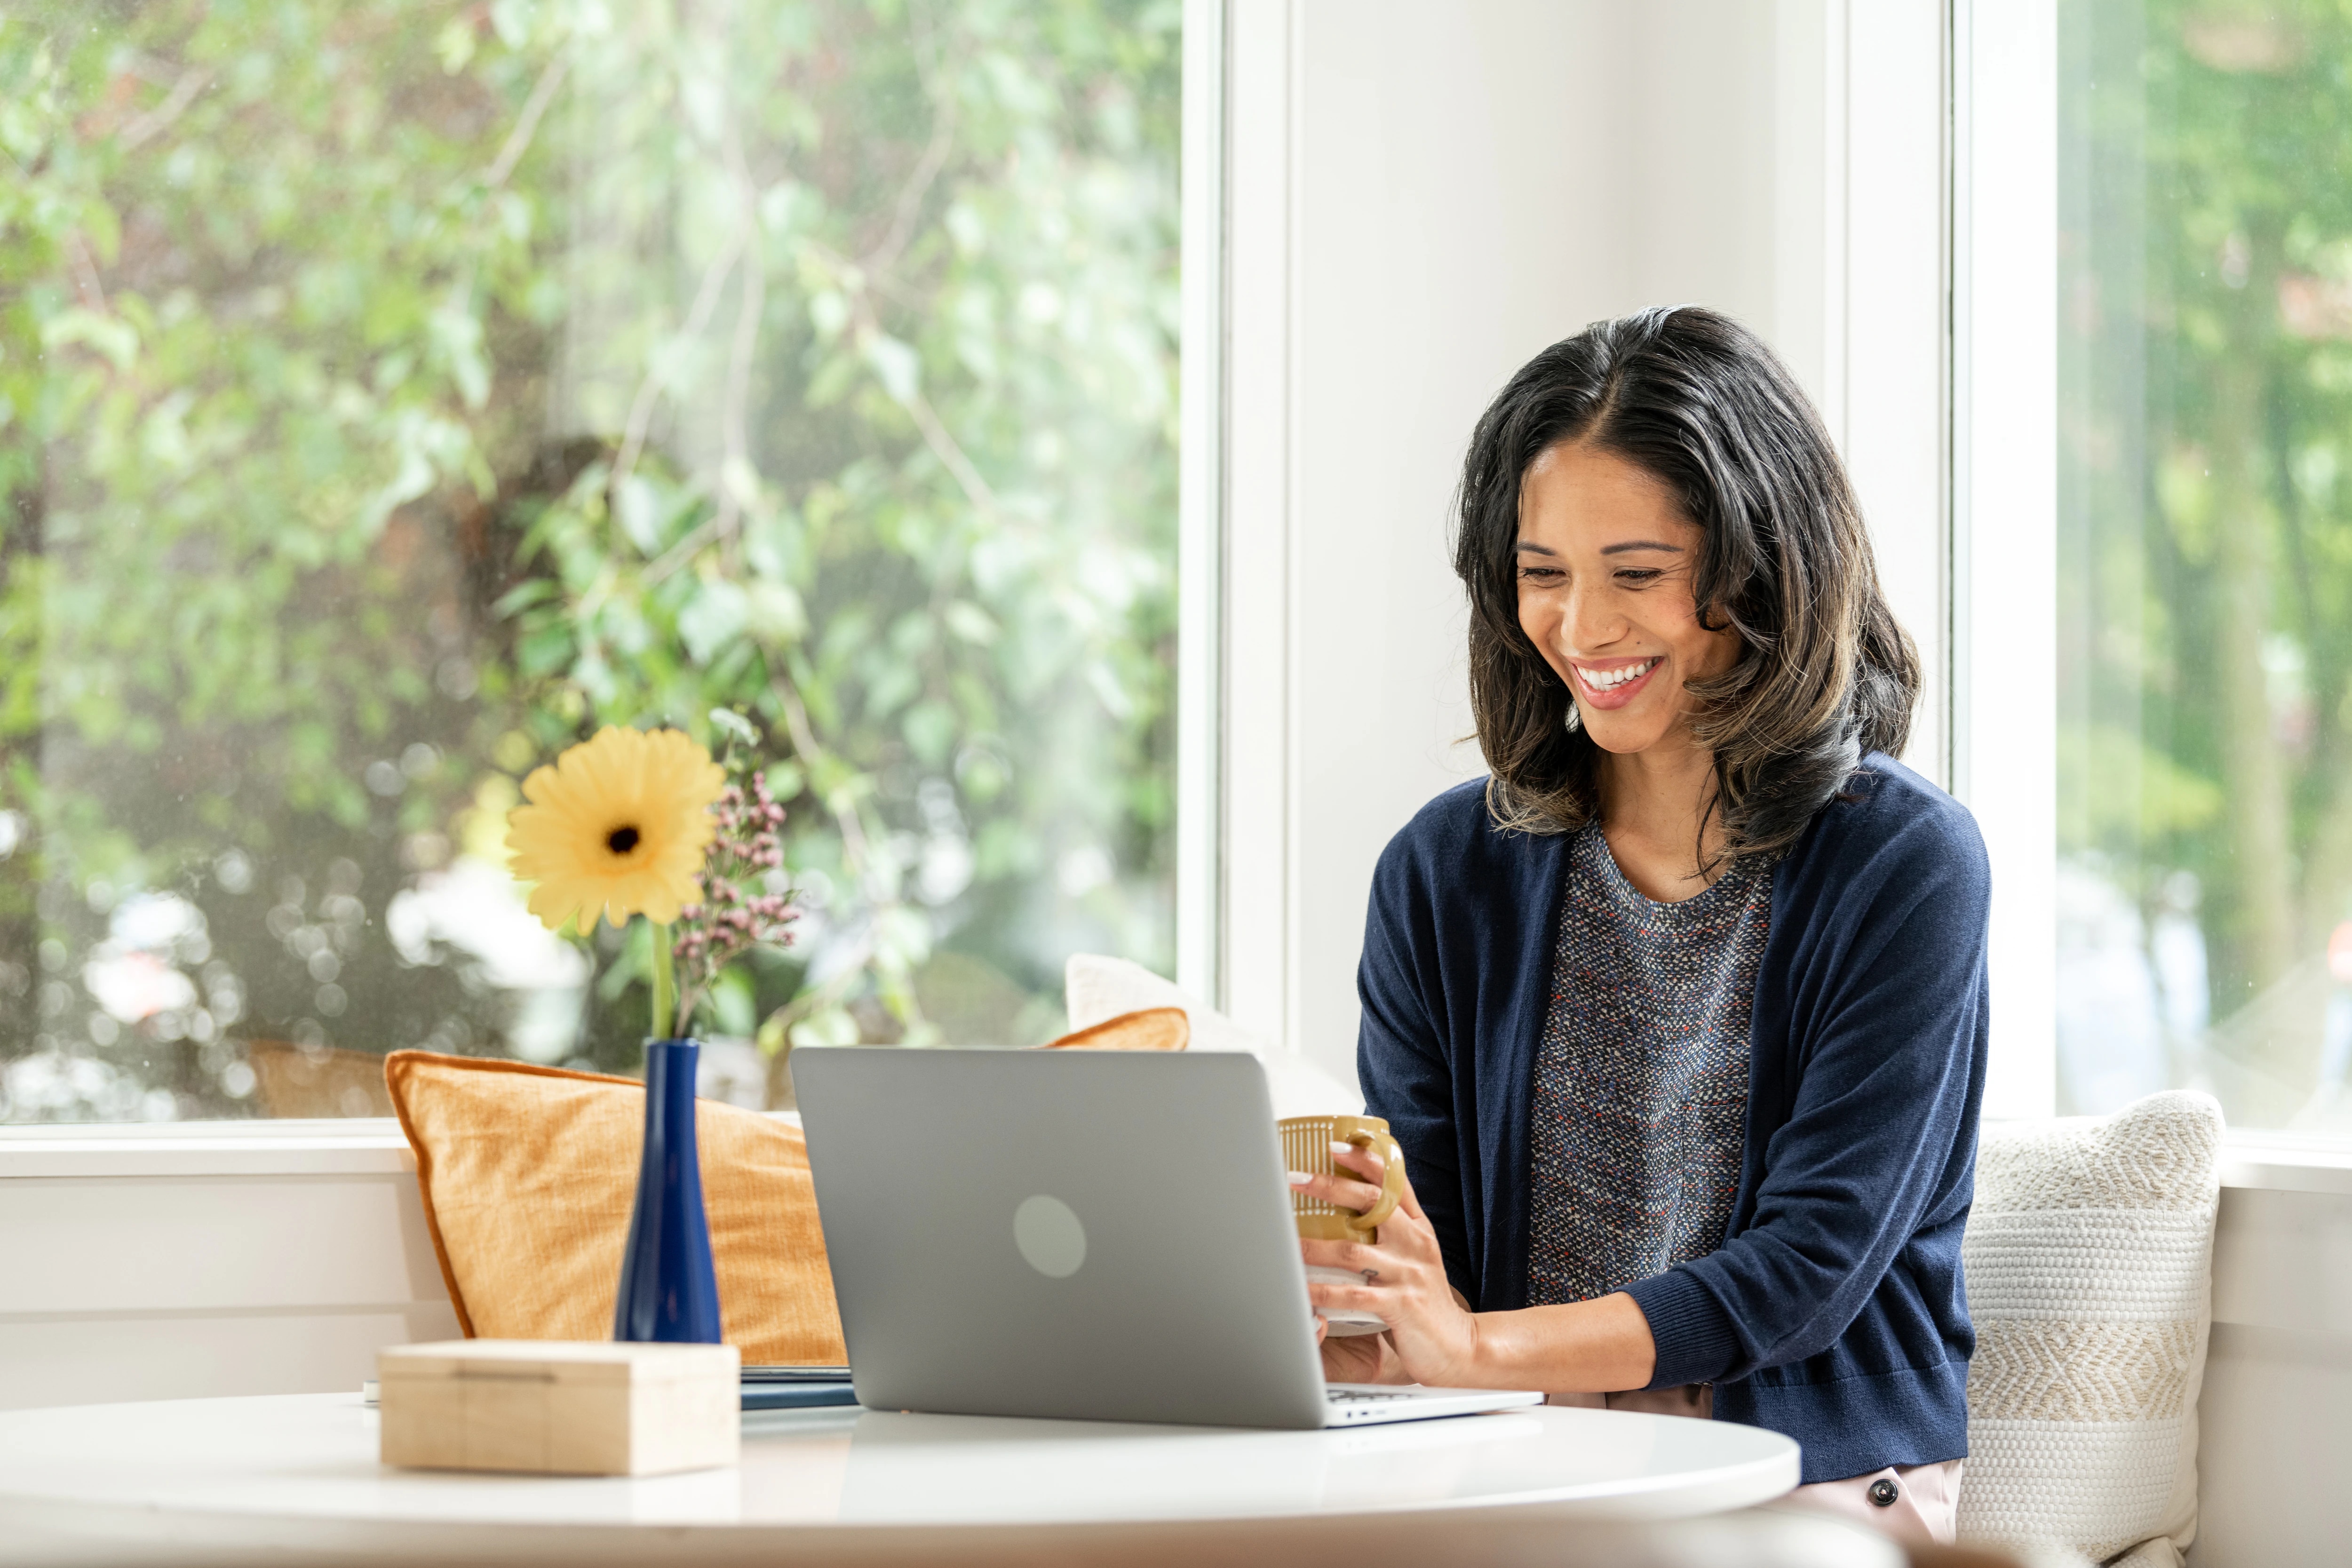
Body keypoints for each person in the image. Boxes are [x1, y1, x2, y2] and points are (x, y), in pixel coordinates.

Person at [1293, 306, 1987, 1548]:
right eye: (1542, 574)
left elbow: (1807, 1271)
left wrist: (1472, 1348)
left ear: (1758, 574)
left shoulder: (1903, 865)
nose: (1583, 628)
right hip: (1514, 1458)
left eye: (1638, 574)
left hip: (1798, 1483)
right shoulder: (1441, 872)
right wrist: (1362, 1306)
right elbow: (1434, 1242)